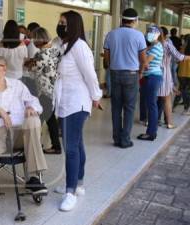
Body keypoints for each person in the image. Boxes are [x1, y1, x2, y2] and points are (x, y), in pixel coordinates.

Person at [0, 56, 48, 225]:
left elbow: (34, 100)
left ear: (3, 68)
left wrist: (31, 108)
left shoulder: (17, 85)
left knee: (33, 120)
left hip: (19, 133)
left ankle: (34, 178)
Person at [53, 11, 102, 212]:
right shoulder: (65, 46)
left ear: (72, 25)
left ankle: (70, 192)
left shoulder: (80, 47)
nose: (60, 25)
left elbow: (90, 74)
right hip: (65, 102)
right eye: (59, 22)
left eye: (63, 23)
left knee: (71, 147)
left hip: (76, 103)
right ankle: (78, 184)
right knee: (77, 144)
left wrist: (96, 95)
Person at [103, 8, 147, 148]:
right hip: (131, 75)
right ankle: (125, 140)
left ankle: (116, 139)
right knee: (129, 108)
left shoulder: (111, 34)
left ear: (122, 19)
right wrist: (140, 72)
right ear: (135, 20)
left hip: (115, 74)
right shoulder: (139, 36)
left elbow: (106, 58)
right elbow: (143, 59)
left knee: (116, 108)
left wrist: (112, 68)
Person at [25, 27, 63, 154]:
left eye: (34, 39)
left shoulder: (41, 54)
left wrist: (29, 62)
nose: (33, 42)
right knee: (50, 118)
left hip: (44, 90)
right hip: (53, 89)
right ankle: (55, 145)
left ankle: (36, 145)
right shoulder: (55, 50)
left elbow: (31, 68)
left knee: (39, 119)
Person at [158, 27, 189, 128]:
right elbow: (179, 56)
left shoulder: (153, 44)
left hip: (153, 74)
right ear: (165, 35)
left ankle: (153, 121)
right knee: (167, 99)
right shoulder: (167, 44)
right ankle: (169, 122)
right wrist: (188, 57)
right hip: (164, 74)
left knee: (154, 99)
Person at [137, 25, 164, 141]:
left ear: (158, 34)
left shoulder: (157, 47)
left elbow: (145, 62)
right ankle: (151, 132)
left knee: (151, 105)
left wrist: (140, 73)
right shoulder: (153, 46)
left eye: (151, 32)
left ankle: (151, 133)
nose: (149, 34)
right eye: (148, 32)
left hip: (152, 77)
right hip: (151, 77)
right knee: (150, 104)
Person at [178, 35, 190, 115]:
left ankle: (186, 108)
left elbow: (178, 58)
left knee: (182, 90)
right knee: (186, 91)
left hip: (182, 72)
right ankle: (187, 109)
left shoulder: (183, 47)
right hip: (187, 72)